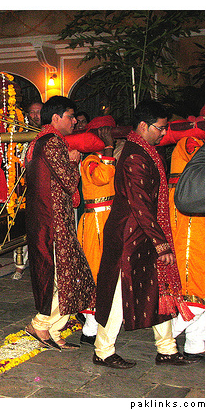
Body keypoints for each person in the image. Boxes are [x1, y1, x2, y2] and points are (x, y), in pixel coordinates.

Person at [93, 100, 197, 369]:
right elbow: (140, 204)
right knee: (118, 292)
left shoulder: (145, 150)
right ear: (143, 126)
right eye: (160, 128)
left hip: (144, 233)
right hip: (128, 235)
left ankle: (167, 349)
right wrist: (161, 243)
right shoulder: (135, 156)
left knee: (157, 288)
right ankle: (103, 351)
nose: (163, 133)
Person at [23, 95, 95, 351]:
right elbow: (70, 182)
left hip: (46, 218)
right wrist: (74, 161)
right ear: (56, 118)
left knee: (64, 275)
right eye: (70, 116)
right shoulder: (52, 143)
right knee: (63, 276)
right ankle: (41, 323)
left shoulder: (39, 141)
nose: (74, 121)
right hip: (53, 221)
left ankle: (52, 327)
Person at [76, 125, 116, 345]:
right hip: (95, 223)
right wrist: (109, 148)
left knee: (105, 272)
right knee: (95, 272)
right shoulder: (91, 160)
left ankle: (92, 330)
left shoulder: (100, 159)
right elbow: (101, 178)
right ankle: (90, 328)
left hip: (107, 220)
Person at [169, 139, 204, 361]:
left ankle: (195, 345)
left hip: (199, 222)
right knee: (195, 292)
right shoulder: (189, 142)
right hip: (191, 224)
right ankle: (165, 338)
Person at [12, 99, 43, 280]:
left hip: (44, 186)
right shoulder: (20, 134)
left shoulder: (49, 133)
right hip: (24, 186)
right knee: (24, 225)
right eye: (32, 112)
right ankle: (19, 265)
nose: (35, 116)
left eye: (39, 111)